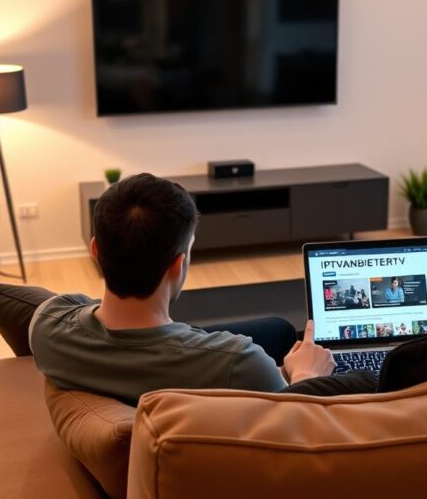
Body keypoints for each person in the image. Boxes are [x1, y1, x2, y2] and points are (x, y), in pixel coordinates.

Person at [29, 173, 346, 406]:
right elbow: (300, 420)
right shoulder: (239, 363)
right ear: (178, 265)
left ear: (96, 250)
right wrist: (307, 375)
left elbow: (87, 309)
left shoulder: (46, 324)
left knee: (277, 329)